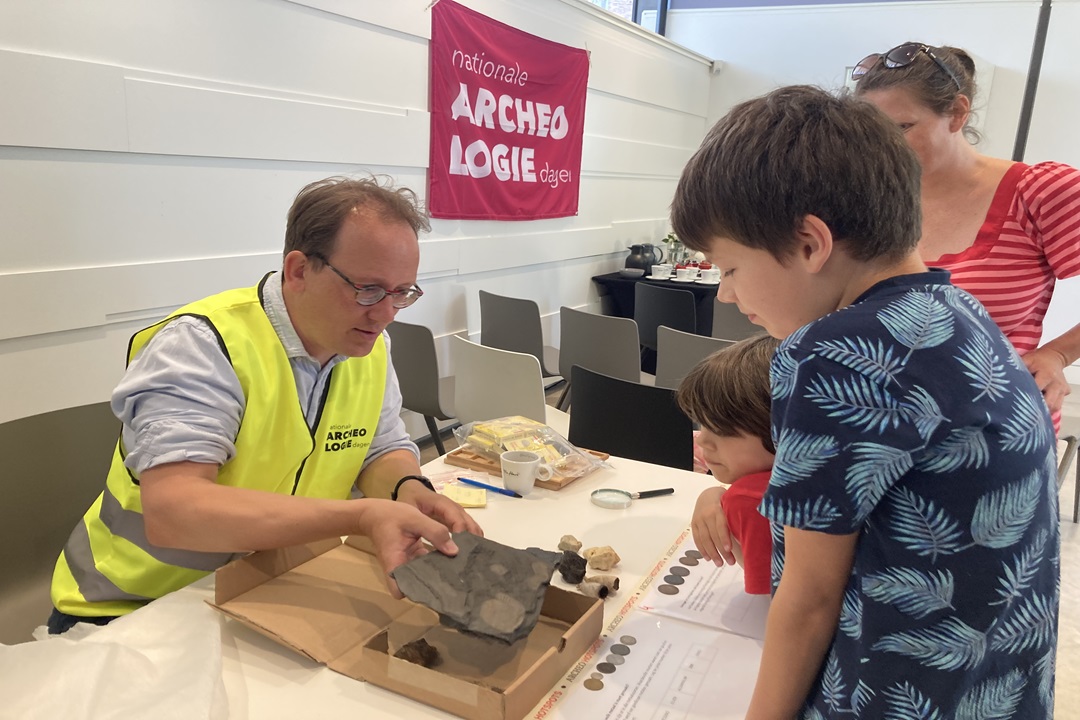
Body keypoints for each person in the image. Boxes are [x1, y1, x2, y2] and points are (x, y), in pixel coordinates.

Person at [671, 85, 1059, 718]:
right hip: (998, 684)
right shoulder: (957, 307)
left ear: (809, 243)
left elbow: (811, 594)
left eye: (730, 268)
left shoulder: (830, 355)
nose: (726, 295)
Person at [49, 176, 482, 634]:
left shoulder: (368, 345)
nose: (384, 313)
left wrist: (406, 490)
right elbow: (175, 513)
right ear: (298, 270)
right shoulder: (203, 345)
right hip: (136, 609)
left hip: (265, 589)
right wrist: (361, 515)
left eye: (403, 293)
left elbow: (379, 447)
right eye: (368, 289)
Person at [852, 42, 1080, 429]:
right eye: (872, 132)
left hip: (994, 430)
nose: (883, 148)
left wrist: (1057, 354)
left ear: (957, 113)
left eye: (902, 127)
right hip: (883, 424)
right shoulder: (865, 199)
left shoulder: (1040, 192)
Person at [676, 334, 779, 595]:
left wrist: (727, 501)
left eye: (723, 429)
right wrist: (713, 493)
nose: (704, 442)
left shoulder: (748, 501)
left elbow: (773, 603)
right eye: (702, 424)